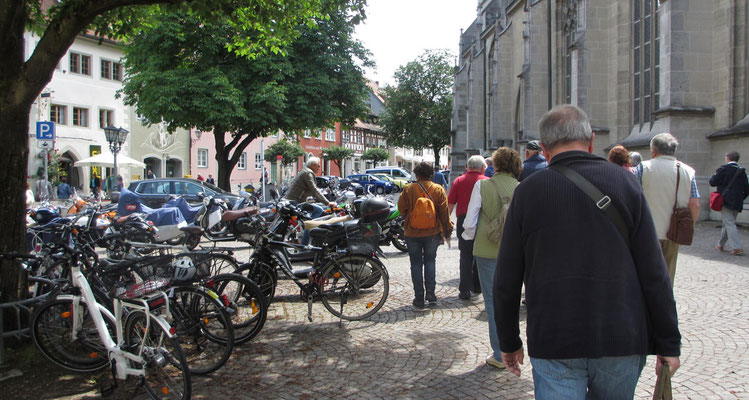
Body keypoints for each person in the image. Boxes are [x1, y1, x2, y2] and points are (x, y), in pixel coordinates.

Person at [496, 105, 681, 397]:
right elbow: (654, 271)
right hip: (620, 334)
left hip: (554, 336)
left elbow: (506, 279)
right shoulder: (627, 183)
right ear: (592, 140)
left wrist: (508, 341)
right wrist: (669, 342)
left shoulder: (527, 192)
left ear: (544, 149)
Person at [462, 147, 521, 370]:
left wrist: (467, 236)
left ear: (495, 164)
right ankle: (515, 346)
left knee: (493, 303)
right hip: (514, 252)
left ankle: (499, 353)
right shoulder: (521, 187)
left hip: (486, 250)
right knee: (513, 301)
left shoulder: (482, 185)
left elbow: (471, 219)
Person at [634, 133, 699, 283]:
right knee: (668, 276)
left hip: (647, 231)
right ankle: (665, 304)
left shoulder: (643, 168)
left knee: (645, 275)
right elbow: (694, 203)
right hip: (673, 231)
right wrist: (689, 226)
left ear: (653, 151)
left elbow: (632, 197)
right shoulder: (688, 171)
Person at [398, 162, 453, 309]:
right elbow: (444, 213)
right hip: (433, 233)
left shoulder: (409, 189)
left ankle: (419, 298)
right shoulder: (438, 189)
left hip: (412, 232)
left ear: (416, 174)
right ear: (431, 174)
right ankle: (431, 295)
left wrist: (410, 215)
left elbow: (401, 209)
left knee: (415, 264)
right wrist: (447, 230)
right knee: (430, 261)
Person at [447, 155, 487, 300]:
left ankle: (464, 289)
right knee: (480, 253)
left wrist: (447, 222)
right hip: (482, 221)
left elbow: (450, 203)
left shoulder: (458, 181)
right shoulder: (486, 182)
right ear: (482, 168)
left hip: (463, 221)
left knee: (465, 255)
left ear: (468, 167)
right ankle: (477, 285)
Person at [284, 157, 336, 245]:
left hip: (295, 200)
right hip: (295, 202)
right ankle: (305, 241)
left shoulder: (305, 171)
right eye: (318, 165)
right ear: (312, 165)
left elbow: (311, 189)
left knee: (318, 209)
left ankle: (308, 229)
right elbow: (314, 190)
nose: (320, 167)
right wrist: (328, 202)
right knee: (316, 214)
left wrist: (322, 195)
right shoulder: (308, 173)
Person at [710, 151, 749, 255]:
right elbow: (747, 189)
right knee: (727, 223)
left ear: (727, 158)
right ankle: (720, 244)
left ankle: (737, 247)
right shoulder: (742, 172)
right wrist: (740, 198)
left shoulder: (723, 169)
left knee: (729, 223)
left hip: (726, 200)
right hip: (737, 201)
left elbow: (712, 182)